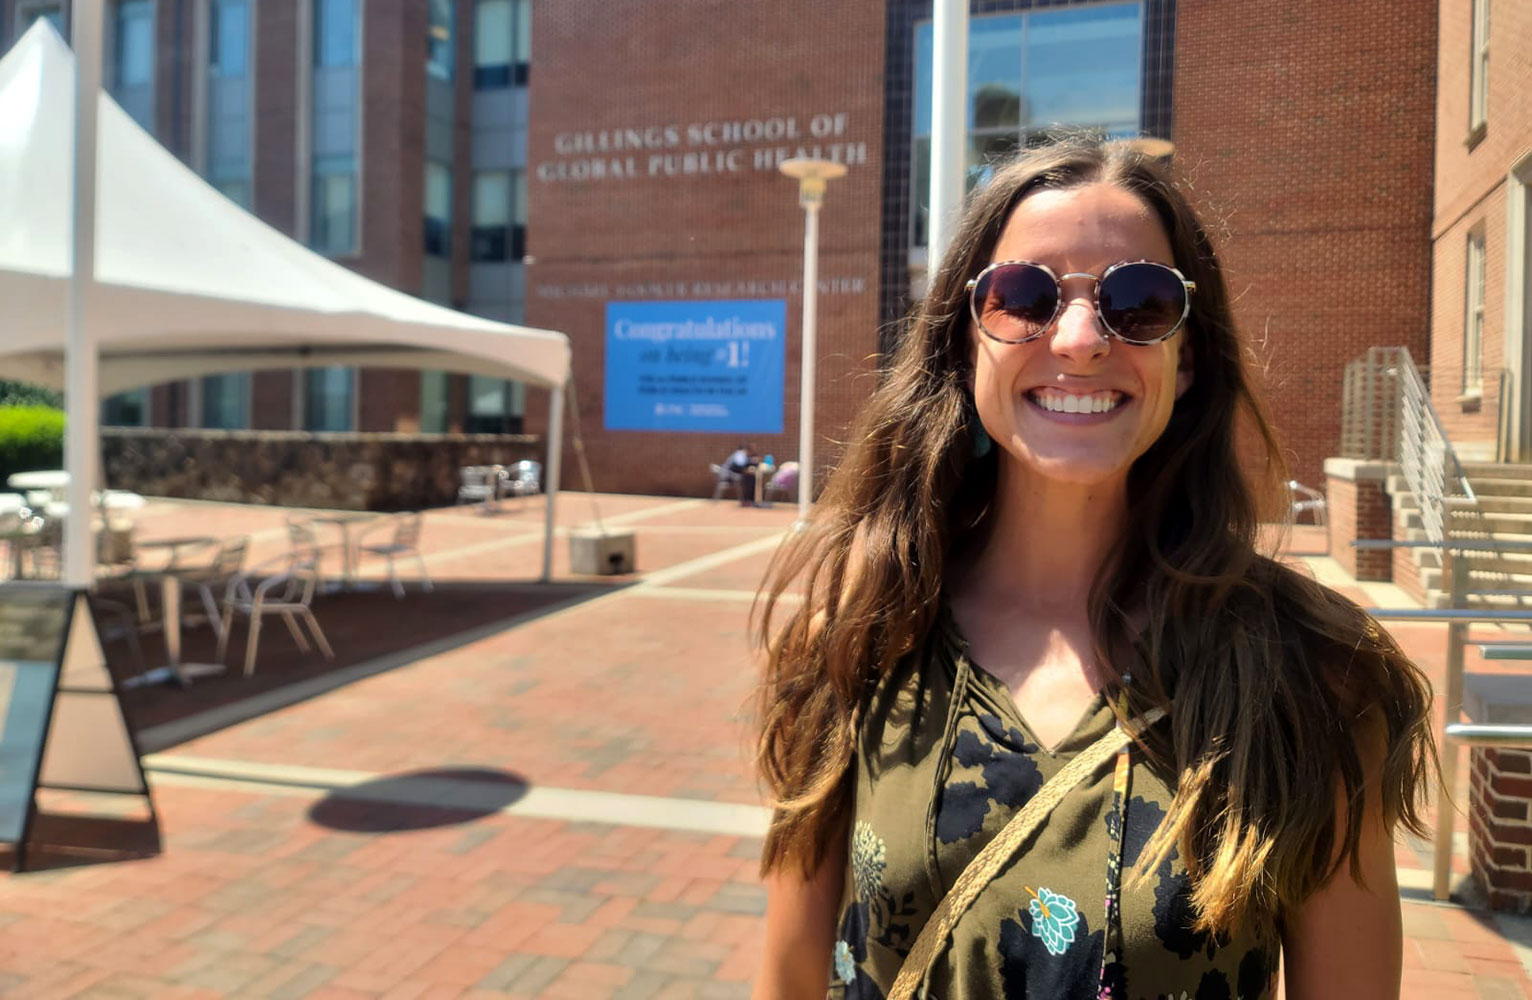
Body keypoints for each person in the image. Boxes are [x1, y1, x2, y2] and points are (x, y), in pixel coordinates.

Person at [750, 138, 1436, 999]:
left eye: (1139, 302)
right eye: (1024, 297)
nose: (1078, 340)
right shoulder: (863, 628)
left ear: (1186, 360)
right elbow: (787, 976)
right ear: (966, 346)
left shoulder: (1314, 675)